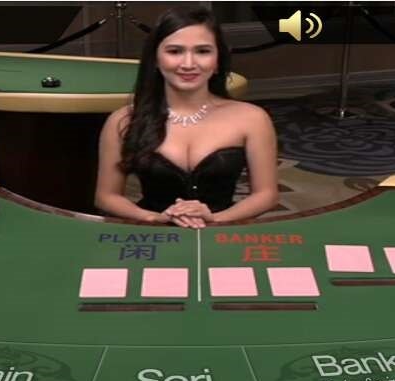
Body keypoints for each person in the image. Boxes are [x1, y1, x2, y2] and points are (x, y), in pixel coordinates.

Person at [95, 8, 279, 228]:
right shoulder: (123, 120)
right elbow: (106, 197)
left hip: (221, 231)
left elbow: (266, 194)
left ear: (217, 60)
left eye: (202, 51)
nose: (189, 64)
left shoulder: (253, 118)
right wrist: (155, 218)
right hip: (154, 234)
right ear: (156, 59)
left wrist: (215, 219)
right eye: (175, 51)